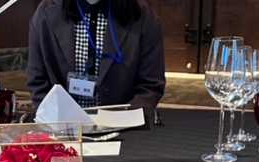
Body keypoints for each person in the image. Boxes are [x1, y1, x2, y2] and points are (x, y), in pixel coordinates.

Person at [27, 0, 166, 110]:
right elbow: (37, 81)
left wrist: (123, 120)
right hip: (63, 127)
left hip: (124, 126)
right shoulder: (46, 12)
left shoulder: (143, 14)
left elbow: (150, 85)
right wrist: (59, 121)